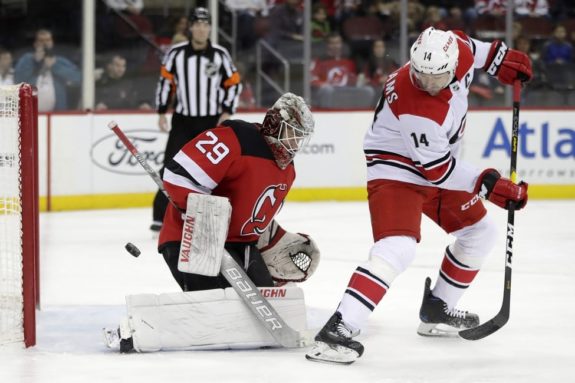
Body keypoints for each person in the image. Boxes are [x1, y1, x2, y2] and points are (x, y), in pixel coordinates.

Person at [306, 26, 531, 365]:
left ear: (453, 64)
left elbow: (474, 47)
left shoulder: (456, 47)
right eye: (420, 74)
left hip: (436, 163)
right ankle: (339, 328)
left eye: (435, 76)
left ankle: (438, 308)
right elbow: (438, 172)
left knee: (480, 232)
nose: (426, 83)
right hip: (396, 171)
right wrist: (487, 183)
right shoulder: (417, 107)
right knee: (398, 248)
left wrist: (499, 59)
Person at [105, 93, 320, 352]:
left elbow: (254, 220)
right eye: (292, 134)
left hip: (239, 246)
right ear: (274, 124)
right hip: (191, 237)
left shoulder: (288, 171)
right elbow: (177, 175)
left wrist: (274, 240)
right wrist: (202, 210)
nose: (295, 144)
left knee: (261, 312)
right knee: (217, 312)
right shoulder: (236, 138)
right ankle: (135, 330)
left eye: (301, 137)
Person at [151, 7, 242, 234]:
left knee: (214, 172)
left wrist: (227, 111)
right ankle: (159, 217)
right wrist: (161, 111)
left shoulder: (220, 54)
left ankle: (213, 218)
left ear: (210, 27)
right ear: (190, 27)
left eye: (205, 24)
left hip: (210, 122)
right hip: (182, 121)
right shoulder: (176, 53)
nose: (201, 28)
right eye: (197, 24)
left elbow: (234, 83)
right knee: (171, 168)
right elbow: (165, 82)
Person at [14, 29, 81, 111]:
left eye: (48, 40)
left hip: (57, 115)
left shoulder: (60, 61)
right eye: (41, 40)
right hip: (30, 114)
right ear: (35, 44)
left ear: (52, 43)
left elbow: (78, 78)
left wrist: (55, 66)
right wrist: (34, 62)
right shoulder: (27, 59)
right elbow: (17, 80)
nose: (45, 43)